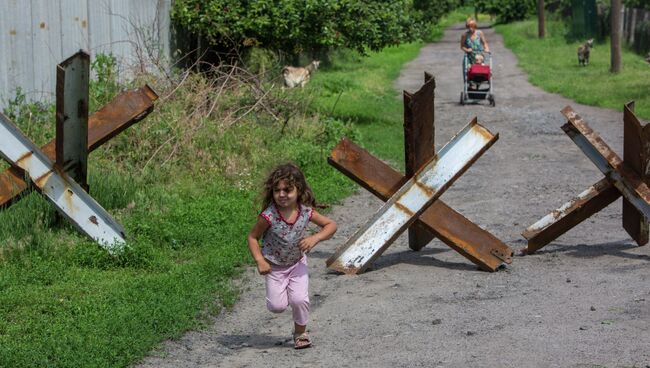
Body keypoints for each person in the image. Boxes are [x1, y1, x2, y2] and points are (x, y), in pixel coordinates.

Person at [247, 163, 337, 349]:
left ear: (298, 190)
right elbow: (252, 237)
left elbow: (330, 225)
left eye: (287, 190)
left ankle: (300, 333)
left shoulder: (305, 212)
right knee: (277, 307)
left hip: (297, 264)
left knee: (300, 299)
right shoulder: (269, 216)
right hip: (274, 267)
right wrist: (260, 260)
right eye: (277, 190)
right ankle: (284, 292)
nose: (281, 194)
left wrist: (316, 238)